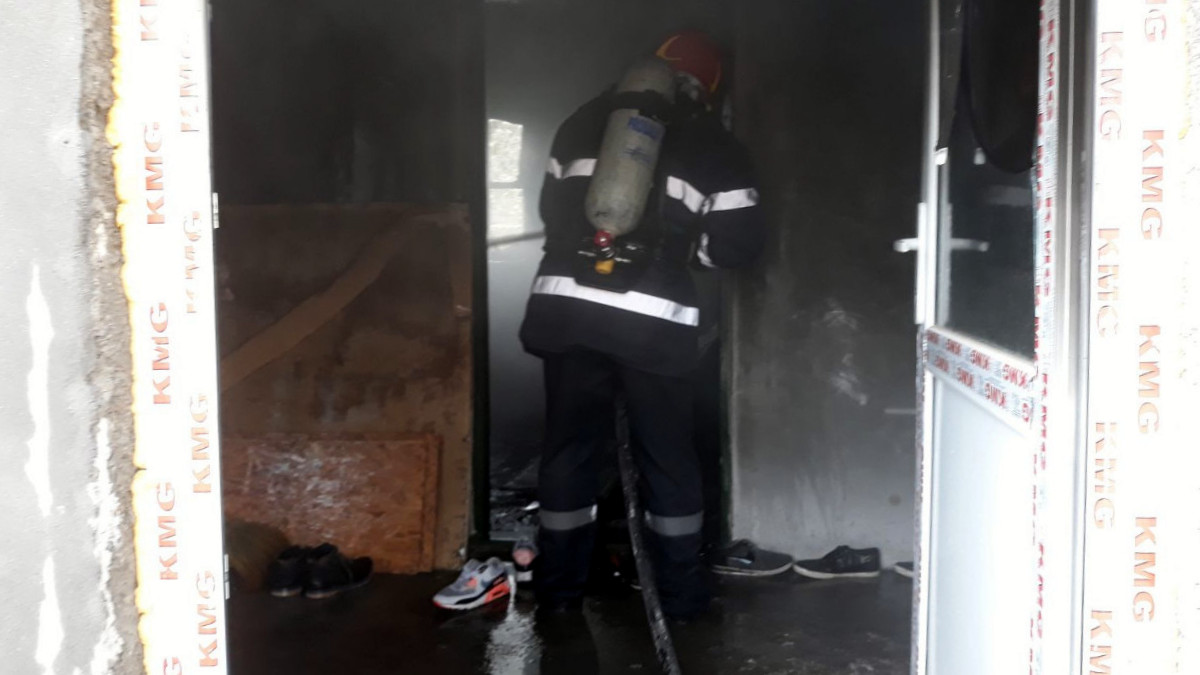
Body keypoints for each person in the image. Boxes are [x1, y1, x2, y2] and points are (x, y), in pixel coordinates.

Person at [519, 31, 765, 619]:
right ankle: (679, 597)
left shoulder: (580, 123)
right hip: (652, 322)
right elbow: (736, 246)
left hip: (565, 308)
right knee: (667, 456)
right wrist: (679, 255)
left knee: (569, 450)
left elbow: (551, 211)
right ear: (705, 88)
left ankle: (558, 592)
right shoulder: (714, 142)